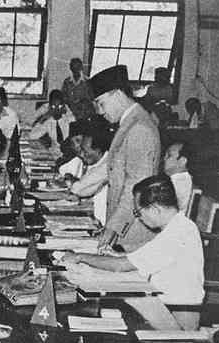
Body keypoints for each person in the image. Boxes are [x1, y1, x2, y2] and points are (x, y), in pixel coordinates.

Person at [62, 174, 204, 307]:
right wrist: (121, 256)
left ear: (155, 209)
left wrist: (80, 257)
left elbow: (120, 266)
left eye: (138, 212)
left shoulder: (175, 234)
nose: (138, 218)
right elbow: (149, 256)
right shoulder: (180, 226)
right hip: (162, 300)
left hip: (175, 309)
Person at [88, 64, 161, 251]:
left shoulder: (139, 128)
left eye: (101, 103)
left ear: (118, 94)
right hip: (125, 227)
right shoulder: (130, 122)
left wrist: (113, 226)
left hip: (133, 232)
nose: (100, 111)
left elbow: (136, 185)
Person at [69, 120, 114, 225]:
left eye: (85, 151)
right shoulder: (96, 164)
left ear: (98, 151)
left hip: (102, 223)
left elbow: (77, 188)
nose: (82, 154)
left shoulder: (107, 165)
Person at [29, 89, 75, 154]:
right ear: (49, 106)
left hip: (70, 153)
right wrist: (43, 118)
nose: (56, 109)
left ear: (64, 106)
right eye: (53, 106)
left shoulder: (69, 120)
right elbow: (32, 136)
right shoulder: (48, 122)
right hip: (55, 153)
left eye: (59, 106)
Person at [163, 142, 194, 212]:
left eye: (169, 156)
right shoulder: (178, 178)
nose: (164, 159)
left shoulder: (180, 182)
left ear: (182, 161)